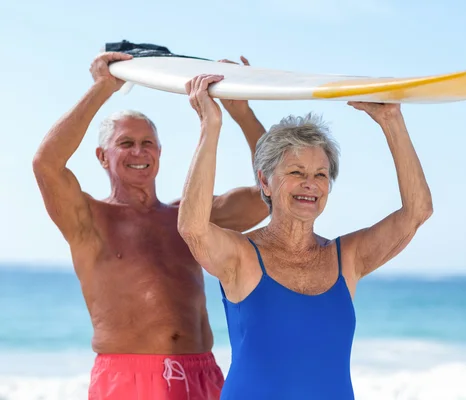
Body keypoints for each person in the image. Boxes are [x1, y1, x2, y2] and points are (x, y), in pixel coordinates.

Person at [178, 74, 434, 400]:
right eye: (296, 173)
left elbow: (417, 212)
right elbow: (193, 227)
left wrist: (391, 120)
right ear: (265, 183)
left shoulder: (347, 258)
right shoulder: (240, 256)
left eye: (320, 175)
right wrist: (210, 127)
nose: (310, 184)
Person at [32, 53, 269, 400]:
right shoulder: (89, 219)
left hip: (202, 373)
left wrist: (242, 113)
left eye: (147, 144)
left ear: (159, 152)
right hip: (129, 378)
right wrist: (102, 88)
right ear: (102, 156)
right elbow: (46, 164)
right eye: (126, 143)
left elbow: (269, 194)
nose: (138, 152)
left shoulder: (190, 217)